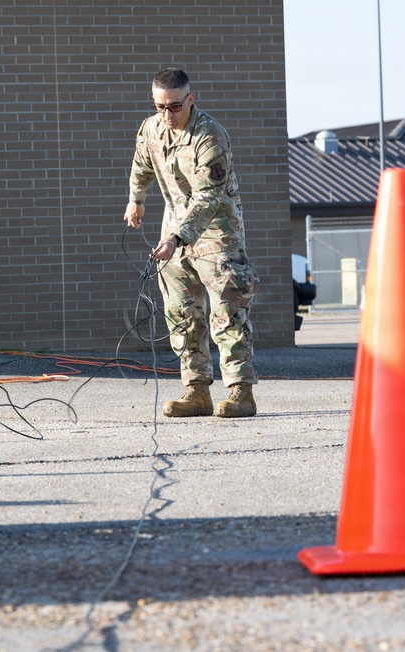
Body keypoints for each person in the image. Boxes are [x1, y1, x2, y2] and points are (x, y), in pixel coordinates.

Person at [124, 68, 261, 418]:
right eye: (159, 107)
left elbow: (208, 198)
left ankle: (240, 393)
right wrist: (136, 200)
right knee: (181, 313)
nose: (167, 115)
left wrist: (176, 238)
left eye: (174, 107)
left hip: (216, 233)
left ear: (191, 99)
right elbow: (142, 163)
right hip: (173, 230)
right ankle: (196, 391)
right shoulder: (151, 128)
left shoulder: (210, 136)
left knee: (228, 312)